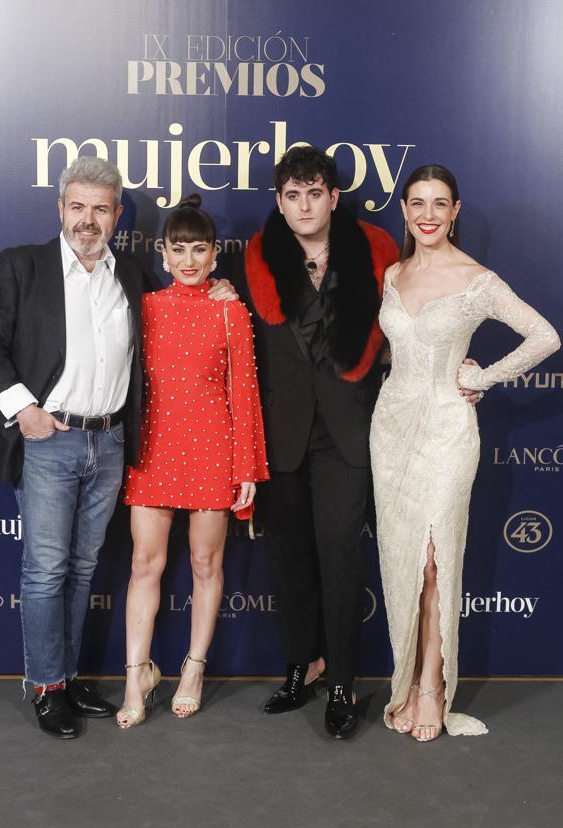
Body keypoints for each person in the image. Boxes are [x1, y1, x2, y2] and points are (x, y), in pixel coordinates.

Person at [0, 158, 234, 739]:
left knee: (84, 566)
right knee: (46, 570)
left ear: (117, 215)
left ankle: (66, 676)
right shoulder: (23, 265)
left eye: (100, 208)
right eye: (77, 206)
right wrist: (25, 411)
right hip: (50, 440)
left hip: (113, 441)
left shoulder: (135, 273)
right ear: (60, 208)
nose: (87, 219)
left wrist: (220, 288)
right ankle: (44, 686)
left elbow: (182, 301)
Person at [370, 163, 560, 742]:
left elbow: (546, 336)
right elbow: (399, 353)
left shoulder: (478, 279)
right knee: (404, 561)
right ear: (404, 210)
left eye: (440, 204)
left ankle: (432, 689)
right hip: (392, 427)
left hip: (449, 430)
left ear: (455, 211)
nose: (427, 214)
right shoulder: (393, 274)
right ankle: (404, 685)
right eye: (417, 203)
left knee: (434, 561)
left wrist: (484, 377)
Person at [236, 146, 399, 738]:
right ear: (279, 203)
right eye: (292, 195)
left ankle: (342, 684)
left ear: (333, 197)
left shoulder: (376, 251)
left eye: (314, 193)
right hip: (282, 434)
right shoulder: (254, 258)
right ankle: (301, 668)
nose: (304, 205)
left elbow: (412, 326)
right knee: (290, 560)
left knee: (339, 555)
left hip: (347, 431)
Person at [117, 195, 268, 729]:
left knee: (207, 566)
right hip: (154, 449)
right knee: (144, 565)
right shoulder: (146, 308)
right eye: (177, 249)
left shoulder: (231, 312)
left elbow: (244, 394)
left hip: (213, 451)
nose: (187, 260)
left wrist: (247, 467)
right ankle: (137, 674)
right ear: (161, 254)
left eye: (198, 250)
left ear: (213, 256)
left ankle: (193, 669)